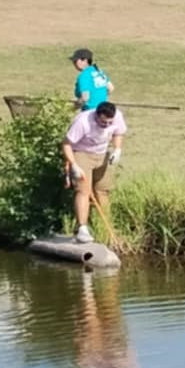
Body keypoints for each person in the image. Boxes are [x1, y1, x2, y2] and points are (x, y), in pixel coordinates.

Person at [60, 100, 128, 244]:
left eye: (110, 123)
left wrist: (117, 149)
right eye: (103, 123)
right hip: (82, 153)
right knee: (83, 191)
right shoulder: (83, 121)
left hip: (102, 154)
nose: (106, 126)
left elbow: (119, 133)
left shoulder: (117, 117)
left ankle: (105, 227)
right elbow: (66, 144)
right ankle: (82, 229)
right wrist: (74, 165)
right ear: (97, 116)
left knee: (103, 190)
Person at [70, 48, 113, 113]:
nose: (74, 63)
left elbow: (85, 98)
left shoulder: (84, 75)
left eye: (75, 61)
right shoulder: (98, 71)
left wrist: (73, 108)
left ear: (84, 60)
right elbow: (110, 88)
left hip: (90, 112)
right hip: (103, 110)